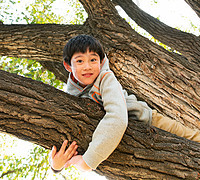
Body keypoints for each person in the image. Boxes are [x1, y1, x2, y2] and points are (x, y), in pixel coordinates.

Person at [50, 34, 200, 173]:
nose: (87, 66)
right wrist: (56, 166)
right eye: (80, 61)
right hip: (131, 144)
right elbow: (66, 136)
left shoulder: (106, 78)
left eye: (93, 60)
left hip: (150, 121)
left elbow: (117, 117)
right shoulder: (71, 96)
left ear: (101, 62)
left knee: (191, 137)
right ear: (68, 66)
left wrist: (88, 162)